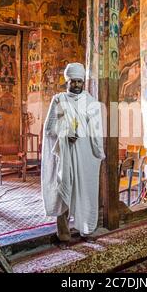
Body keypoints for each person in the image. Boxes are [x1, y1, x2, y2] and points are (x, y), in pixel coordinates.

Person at [41, 62, 105, 242]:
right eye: (73, 82)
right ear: (66, 81)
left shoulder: (91, 102)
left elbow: (96, 131)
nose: (77, 85)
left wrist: (99, 153)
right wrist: (64, 134)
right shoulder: (58, 100)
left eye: (80, 81)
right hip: (65, 155)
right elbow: (48, 129)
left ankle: (86, 230)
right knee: (64, 193)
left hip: (85, 157)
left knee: (85, 192)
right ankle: (63, 236)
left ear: (83, 82)